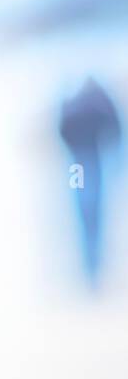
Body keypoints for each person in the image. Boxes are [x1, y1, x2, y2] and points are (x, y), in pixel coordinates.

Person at [59, 78, 121, 289]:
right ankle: (90, 265)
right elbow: (114, 129)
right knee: (89, 209)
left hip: (80, 163)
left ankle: (91, 265)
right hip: (85, 162)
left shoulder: (73, 103)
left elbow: (62, 129)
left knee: (86, 209)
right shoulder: (95, 102)